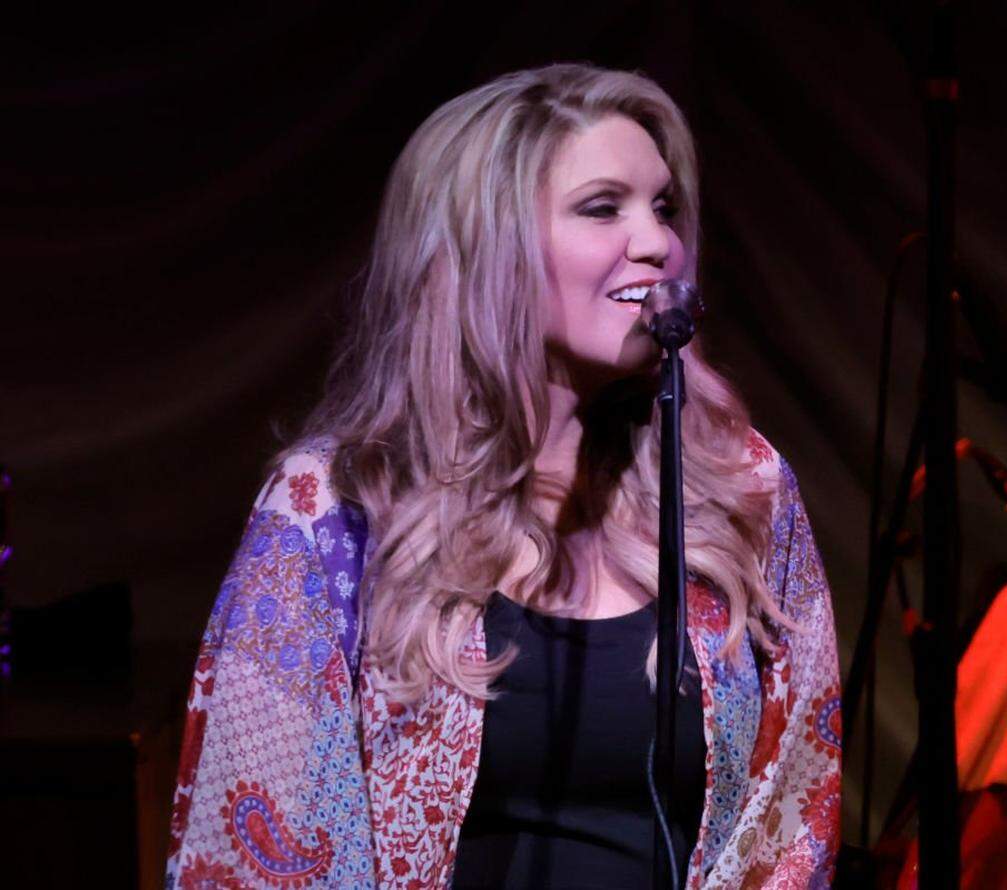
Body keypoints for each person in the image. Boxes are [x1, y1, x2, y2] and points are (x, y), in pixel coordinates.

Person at [166, 62, 841, 889]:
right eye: (604, 208)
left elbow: (795, 813)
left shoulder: (743, 489)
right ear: (487, 248)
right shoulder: (336, 513)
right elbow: (253, 838)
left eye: (664, 207)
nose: (658, 241)